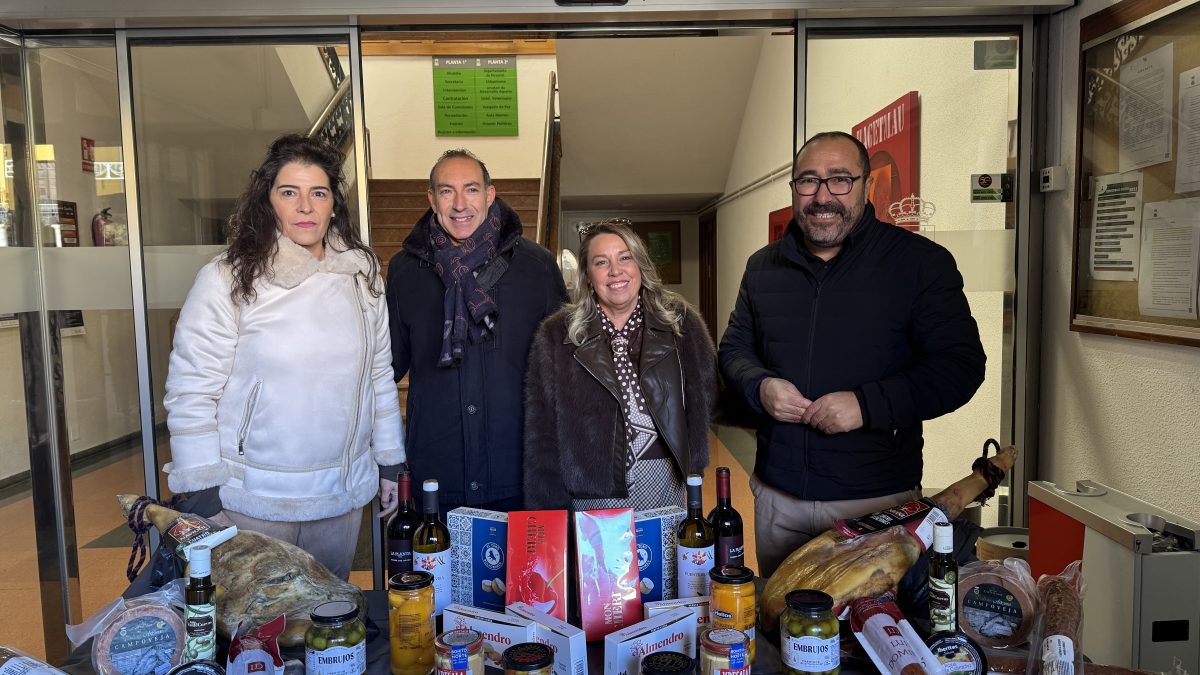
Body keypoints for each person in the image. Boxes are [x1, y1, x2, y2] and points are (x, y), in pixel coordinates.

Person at [719, 131, 986, 577]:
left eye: (839, 179)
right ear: (794, 190)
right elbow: (734, 348)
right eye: (808, 181)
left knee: (872, 636)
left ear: (867, 186)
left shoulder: (919, 264)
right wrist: (759, 386)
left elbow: (960, 367)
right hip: (778, 499)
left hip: (875, 503)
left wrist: (866, 405)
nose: (823, 196)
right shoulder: (762, 267)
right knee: (779, 627)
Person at [163, 134, 405, 580]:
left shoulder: (360, 273)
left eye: (318, 193)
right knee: (257, 635)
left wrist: (390, 461)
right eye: (289, 192)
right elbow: (191, 388)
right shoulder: (227, 277)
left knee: (329, 627)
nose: (305, 207)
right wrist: (200, 490)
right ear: (267, 200)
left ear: (335, 203)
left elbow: (377, 375)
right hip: (252, 499)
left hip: (340, 495)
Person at [387, 149, 567, 514]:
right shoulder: (405, 271)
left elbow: (565, 368)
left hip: (518, 471)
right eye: (446, 191)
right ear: (431, 199)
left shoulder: (537, 268)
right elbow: (386, 366)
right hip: (437, 473)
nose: (459, 204)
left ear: (489, 194)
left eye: (470, 189)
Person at [524, 220, 718, 510]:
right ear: (588, 276)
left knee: (665, 557)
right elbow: (541, 434)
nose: (616, 271)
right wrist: (547, 511)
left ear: (640, 264)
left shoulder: (680, 322)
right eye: (601, 262)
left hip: (666, 484)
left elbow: (710, 396)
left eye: (625, 257)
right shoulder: (556, 334)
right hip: (592, 493)